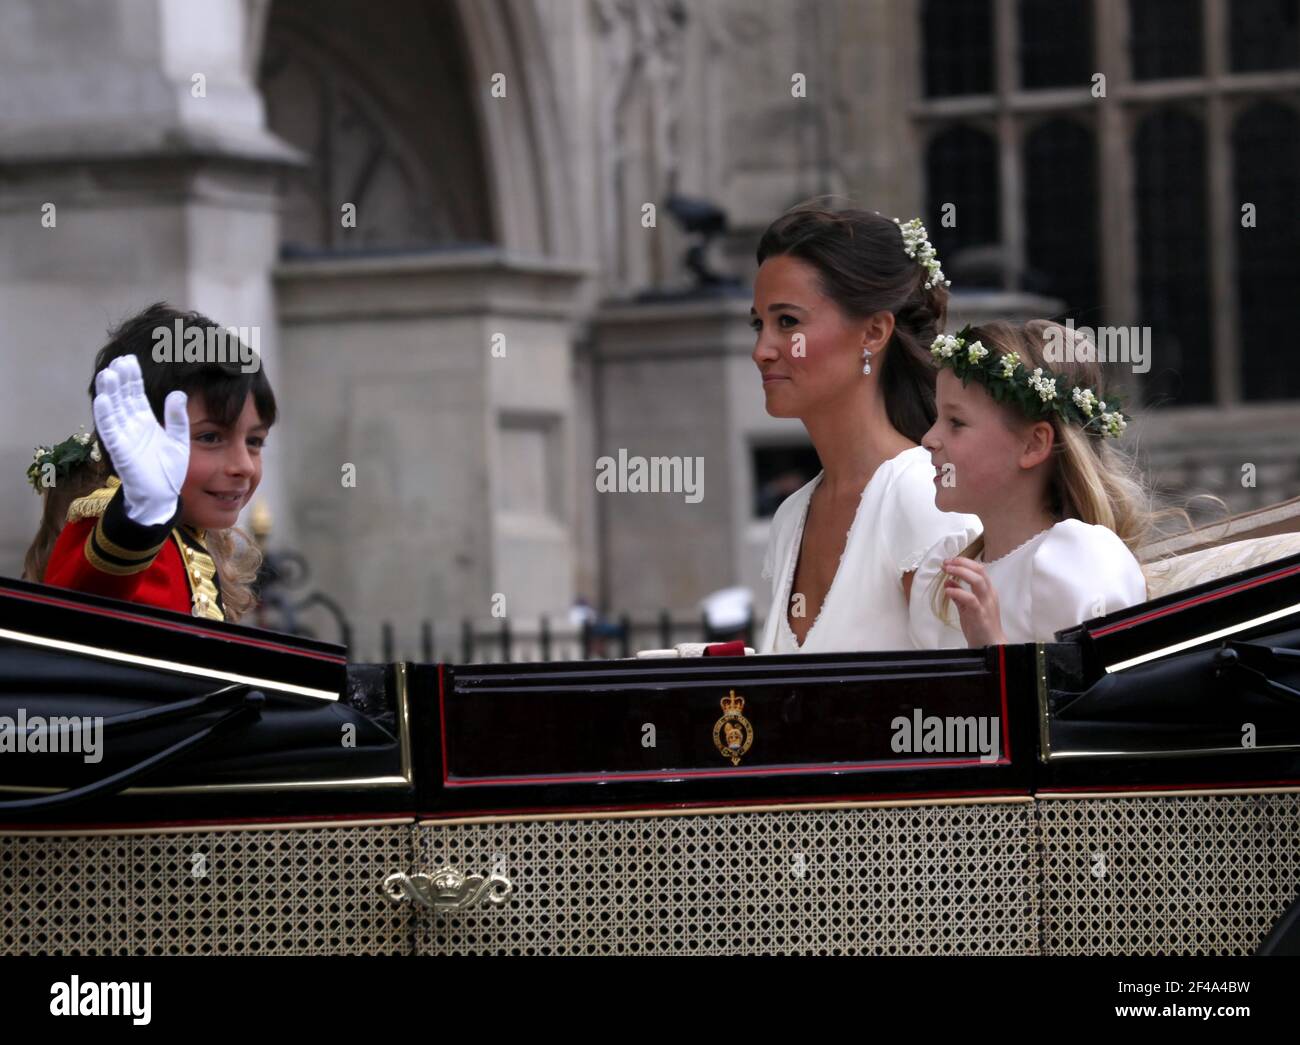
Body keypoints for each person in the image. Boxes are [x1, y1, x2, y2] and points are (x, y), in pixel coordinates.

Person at [752, 203, 979, 654]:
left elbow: (969, 702)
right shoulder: (791, 517)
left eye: (788, 322)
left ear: (874, 332)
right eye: (758, 324)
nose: (762, 350)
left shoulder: (926, 496)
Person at [24, 303, 276, 623]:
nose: (245, 466)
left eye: (254, 441)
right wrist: (141, 516)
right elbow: (81, 609)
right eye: (210, 437)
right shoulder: (124, 531)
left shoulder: (190, 536)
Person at [908, 320, 1149, 648]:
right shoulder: (940, 573)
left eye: (956, 422)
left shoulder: (1077, 562)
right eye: (937, 418)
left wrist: (994, 650)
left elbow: (1103, 696)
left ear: (1033, 445)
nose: (928, 438)